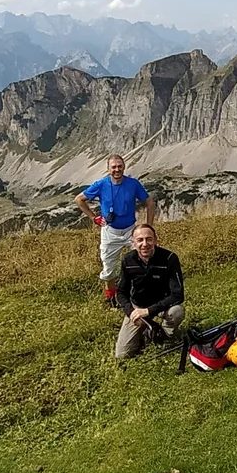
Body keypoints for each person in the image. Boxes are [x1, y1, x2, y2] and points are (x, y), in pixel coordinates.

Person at [75, 154, 155, 307]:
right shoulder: (101, 184)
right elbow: (79, 199)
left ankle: (142, 295)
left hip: (131, 230)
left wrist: (148, 227)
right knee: (108, 267)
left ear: (124, 167)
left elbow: (150, 203)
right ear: (108, 169)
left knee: (144, 259)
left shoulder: (133, 184)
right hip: (109, 231)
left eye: (120, 166)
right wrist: (94, 218)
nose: (117, 170)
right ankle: (111, 299)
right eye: (114, 167)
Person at [114, 224, 186, 360]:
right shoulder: (127, 260)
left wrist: (149, 311)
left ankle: (163, 336)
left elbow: (178, 294)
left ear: (156, 240)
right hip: (137, 307)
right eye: (140, 240)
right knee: (122, 355)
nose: (145, 244)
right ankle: (147, 331)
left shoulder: (169, 258)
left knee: (177, 312)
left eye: (149, 239)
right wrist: (131, 312)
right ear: (133, 243)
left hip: (162, 305)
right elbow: (121, 292)